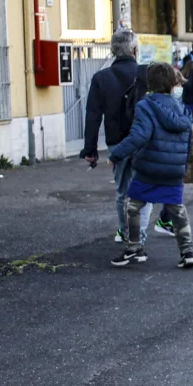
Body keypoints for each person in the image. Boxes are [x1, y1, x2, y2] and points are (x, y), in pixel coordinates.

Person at [107, 63, 193, 270]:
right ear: (172, 84)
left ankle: (134, 247)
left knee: (133, 206)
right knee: (176, 209)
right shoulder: (182, 108)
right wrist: (183, 164)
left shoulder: (145, 105)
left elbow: (139, 136)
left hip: (149, 167)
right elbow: (189, 140)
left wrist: (116, 155)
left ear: (150, 83)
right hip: (174, 169)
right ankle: (187, 252)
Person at [81, 29, 156, 244]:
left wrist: (90, 149)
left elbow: (93, 115)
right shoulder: (146, 75)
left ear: (113, 51)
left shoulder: (101, 78)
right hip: (144, 141)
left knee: (123, 191)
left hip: (117, 143)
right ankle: (138, 237)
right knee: (144, 190)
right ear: (135, 50)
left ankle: (125, 232)